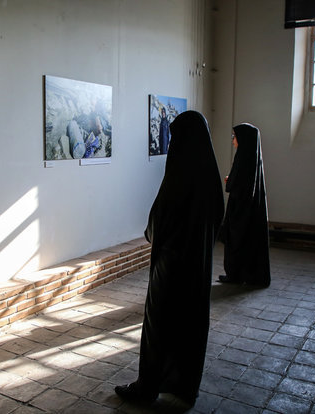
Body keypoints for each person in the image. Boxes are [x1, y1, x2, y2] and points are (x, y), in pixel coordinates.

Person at [115, 111, 224, 406]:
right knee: (191, 325)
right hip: (198, 267)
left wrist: (154, 232)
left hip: (171, 265)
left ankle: (147, 387)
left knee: (159, 325)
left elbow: (157, 224)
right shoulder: (210, 178)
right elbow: (218, 219)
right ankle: (184, 386)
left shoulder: (178, 176)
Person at [218, 123, 271, 287]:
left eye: (235, 137)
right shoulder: (252, 157)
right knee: (248, 241)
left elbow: (237, 186)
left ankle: (235, 274)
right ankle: (247, 274)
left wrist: (230, 182)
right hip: (249, 209)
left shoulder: (243, 158)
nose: (233, 140)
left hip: (241, 210)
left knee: (237, 240)